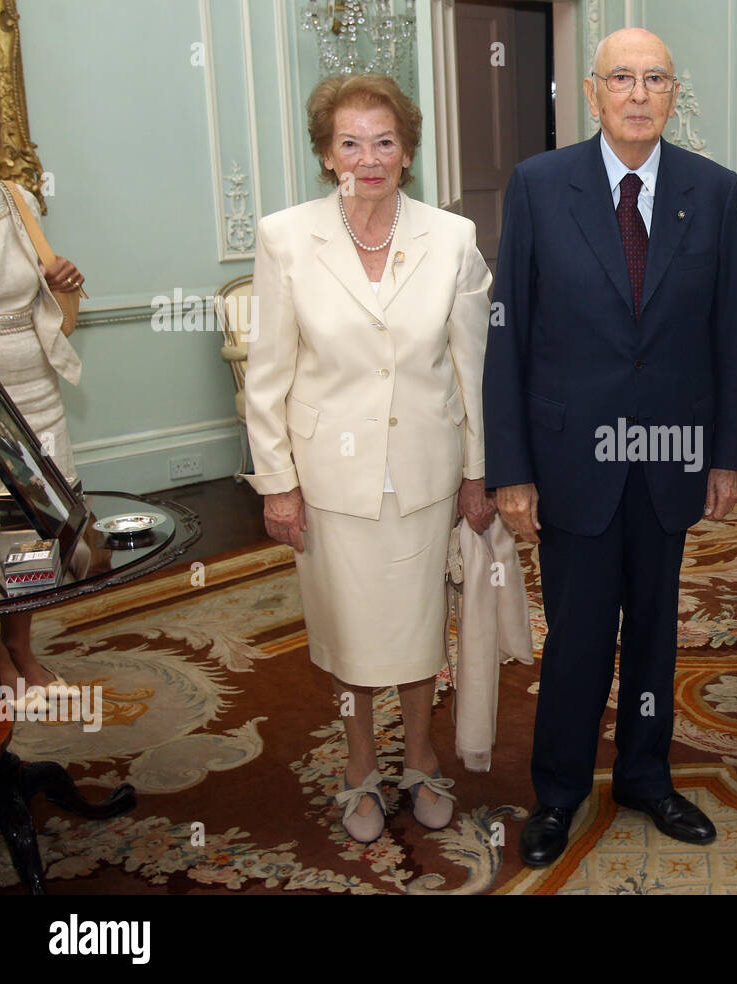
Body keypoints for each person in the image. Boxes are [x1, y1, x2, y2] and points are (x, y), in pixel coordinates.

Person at [484, 27, 737, 868]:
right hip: (571, 462)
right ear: (593, 92)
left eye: (656, 79)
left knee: (655, 636)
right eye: (622, 79)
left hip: (671, 458)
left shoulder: (712, 190)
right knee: (577, 635)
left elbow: (729, 330)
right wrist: (512, 469)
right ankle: (559, 791)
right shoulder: (537, 185)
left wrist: (726, 454)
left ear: (675, 95)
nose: (639, 94)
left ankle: (644, 773)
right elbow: (509, 339)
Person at [242, 74, 495, 844]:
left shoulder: (451, 238)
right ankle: (359, 766)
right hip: (330, 480)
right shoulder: (286, 237)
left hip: (424, 469)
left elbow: (470, 368)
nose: (369, 158)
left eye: (384, 141)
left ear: (408, 149)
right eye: (349, 142)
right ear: (326, 154)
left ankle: (418, 758)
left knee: (421, 630)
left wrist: (476, 473)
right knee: (349, 637)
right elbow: (268, 375)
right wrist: (278, 485)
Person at [0, 180, 84, 712]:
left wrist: (63, 280)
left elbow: (48, 297)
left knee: (30, 526)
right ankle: (1, 665)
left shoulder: (17, 200)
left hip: (36, 392)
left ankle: (21, 649)